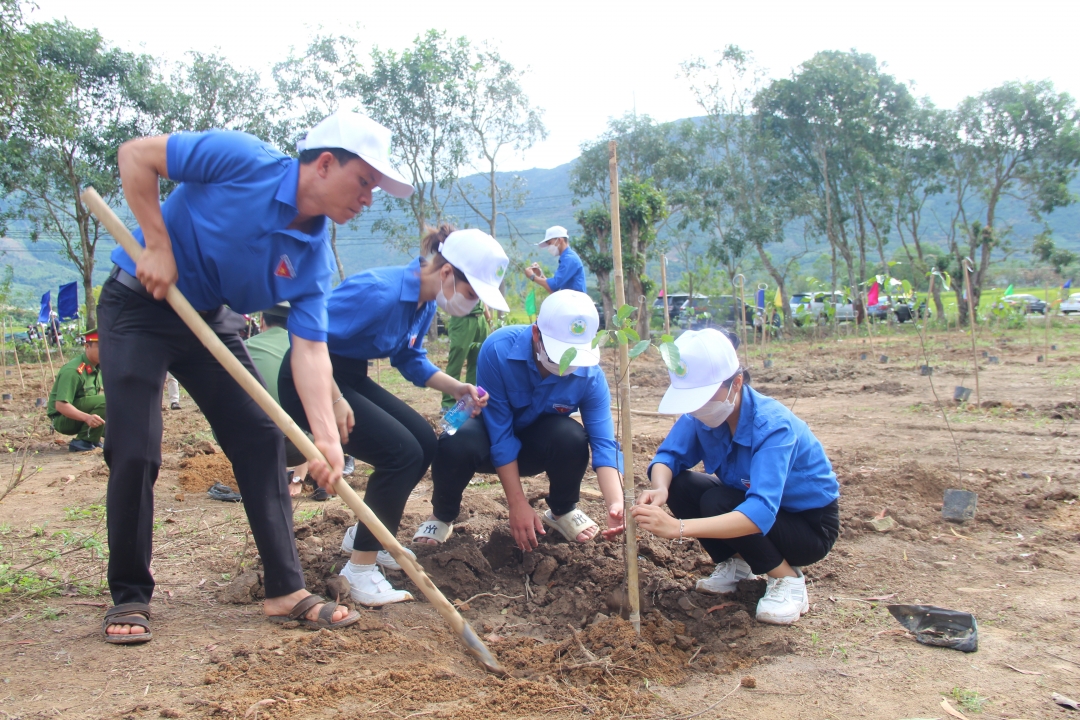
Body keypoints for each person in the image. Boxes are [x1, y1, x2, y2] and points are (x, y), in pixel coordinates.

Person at [97, 110, 415, 643]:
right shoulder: (242, 158)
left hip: (209, 320)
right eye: (364, 181)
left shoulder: (312, 257)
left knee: (260, 436)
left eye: (375, 188)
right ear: (325, 164)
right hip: (141, 305)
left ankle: (285, 590)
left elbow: (310, 350)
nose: (368, 198)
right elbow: (136, 155)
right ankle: (130, 594)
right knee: (135, 447)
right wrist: (156, 243)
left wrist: (325, 439)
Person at [279, 225, 509, 605]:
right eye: (470, 294)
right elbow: (305, 334)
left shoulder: (423, 302)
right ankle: (360, 570)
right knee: (400, 452)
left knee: (423, 441)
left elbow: (408, 357)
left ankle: (368, 532)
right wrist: (334, 398)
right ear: (447, 272)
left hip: (346, 375)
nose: (470, 304)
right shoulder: (378, 292)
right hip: (310, 377)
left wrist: (457, 388)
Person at [631, 329, 840, 625]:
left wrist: (677, 528)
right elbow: (668, 457)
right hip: (754, 509)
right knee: (682, 485)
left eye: (702, 396)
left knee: (720, 501)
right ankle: (738, 565)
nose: (696, 407)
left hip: (807, 527)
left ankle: (788, 580)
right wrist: (661, 488)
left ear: (736, 383)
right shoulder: (702, 416)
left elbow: (759, 512)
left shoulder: (773, 427)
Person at [418, 289, 624, 552]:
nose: (567, 366)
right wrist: (517, 504)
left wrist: (616, 503)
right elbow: (500, 432)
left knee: (571, 435)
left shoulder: (590, 376)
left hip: (533, 445)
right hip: (488, 436)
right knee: (455, 436)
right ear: (536, 334)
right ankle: (442, 515)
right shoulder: (498, 349)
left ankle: (562, 510)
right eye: (560, 354)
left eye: (575, 356)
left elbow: (604, 444)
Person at [244, 303, 311, 498]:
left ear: (262, 321)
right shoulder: (306, 349)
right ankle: (298, 479)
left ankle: (260, 476)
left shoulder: (243, 347)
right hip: (300, 447)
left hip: (253, 445)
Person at [47, 328, 105, 452]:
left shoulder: (98, 368)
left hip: (79, 414)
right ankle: (83, 440)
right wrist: (87, 418)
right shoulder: (73, 371)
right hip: (63, 419)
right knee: (108, 400)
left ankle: (94, 438)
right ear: (87, 347)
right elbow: (61, 405)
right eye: (100, 346)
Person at [441, 299, 490, 410]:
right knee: (456, 361)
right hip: (462, 319)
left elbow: (482, 295)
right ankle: (448, 402)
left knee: (477, 362)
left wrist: (488, 319)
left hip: (480, 318)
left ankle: (470, 399)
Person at [524, 225, 586, 295]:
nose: (549, 248)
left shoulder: (569, 258)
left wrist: (532, 277)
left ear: (560, 240)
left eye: (550, 243)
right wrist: (540, 274)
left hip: (576, 302)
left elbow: (553, 286)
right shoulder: (565, 258)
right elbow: (553, 290)